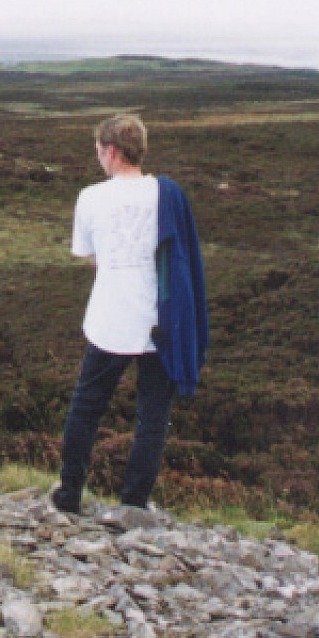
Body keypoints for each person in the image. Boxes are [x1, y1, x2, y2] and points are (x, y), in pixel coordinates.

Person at [51, 114, 207, 516]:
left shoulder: (90, 197)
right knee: (153, 415)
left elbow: (90, 256)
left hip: (110, 318)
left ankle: (69, 493)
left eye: (100, 150)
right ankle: (134, 502)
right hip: (160, 320)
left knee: (86, 406)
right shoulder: (165, 194)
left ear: (113, 151)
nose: (99, 158)